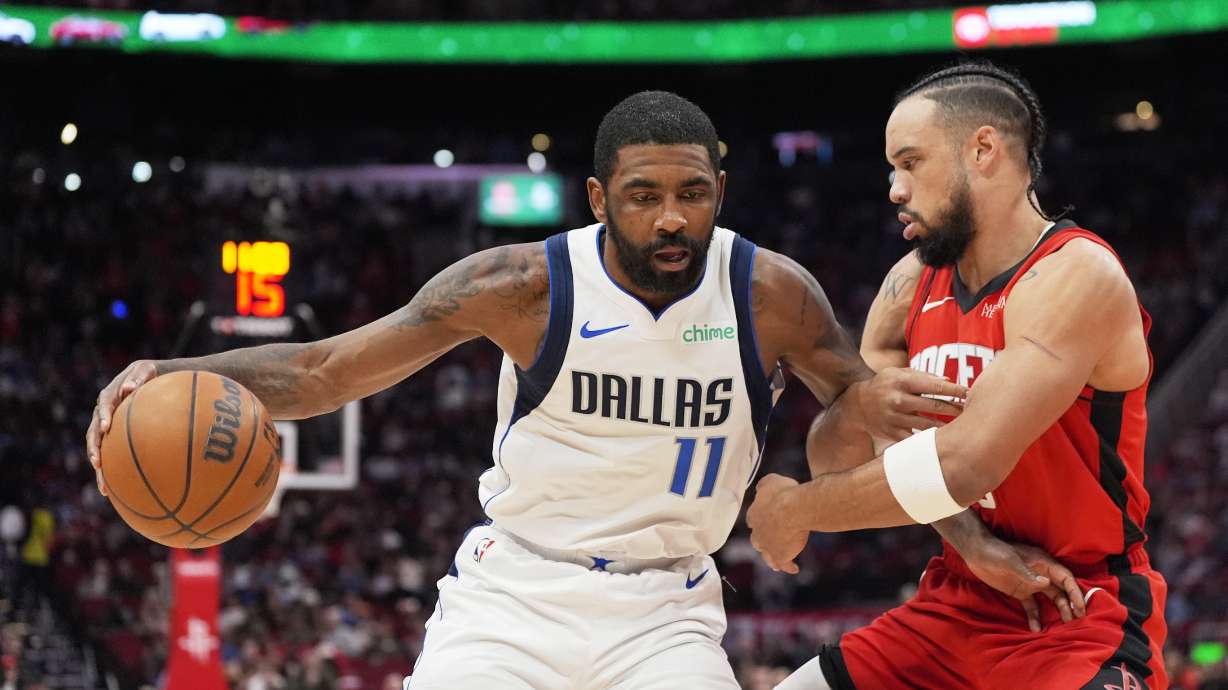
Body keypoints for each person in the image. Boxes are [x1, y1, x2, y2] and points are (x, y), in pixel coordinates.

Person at [89, 90, 1052, 689]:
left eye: (692, 194)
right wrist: (177, 373)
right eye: (643, 196)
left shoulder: (771, 293)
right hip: (514, 595)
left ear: (719, 190)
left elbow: (876, 418)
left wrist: (970, 543)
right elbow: (324, 371)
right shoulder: (520, 285)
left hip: (666, 610)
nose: (671, 219)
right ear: (598, 199)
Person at [749, 62, 1169, 689]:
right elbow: (841, 464)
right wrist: (969, 541)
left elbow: (961, 466)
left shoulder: (1076, 275)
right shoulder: (909, 284)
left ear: (982, 150)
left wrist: (795, 509)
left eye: (910, 163)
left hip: (1076, 608)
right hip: (956, 599)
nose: (895, 189)